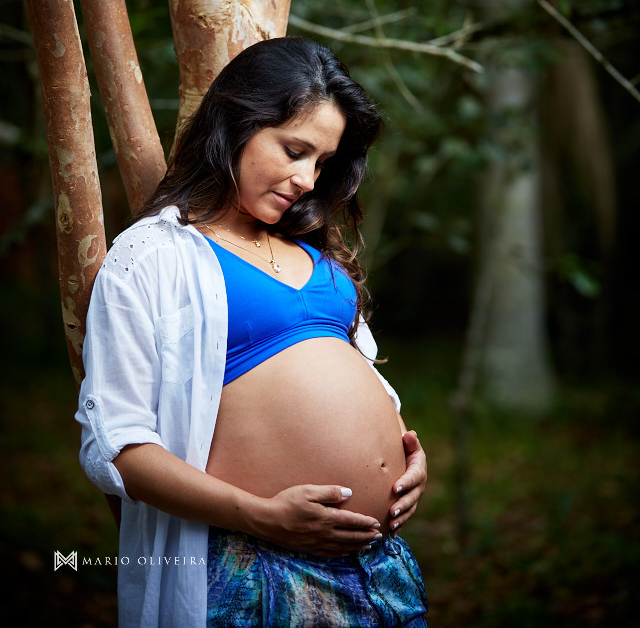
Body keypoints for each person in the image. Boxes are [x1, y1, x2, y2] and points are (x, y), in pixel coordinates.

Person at [76, 37, 428, 628]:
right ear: (236, 124)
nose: (307, 179)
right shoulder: (154, 254)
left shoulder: (318, 258)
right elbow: (117, 444)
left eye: (321, 162)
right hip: (252, 567)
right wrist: (260, 514)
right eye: (294, 150)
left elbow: (367, 389)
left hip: (378, 569)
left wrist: (408, 460)